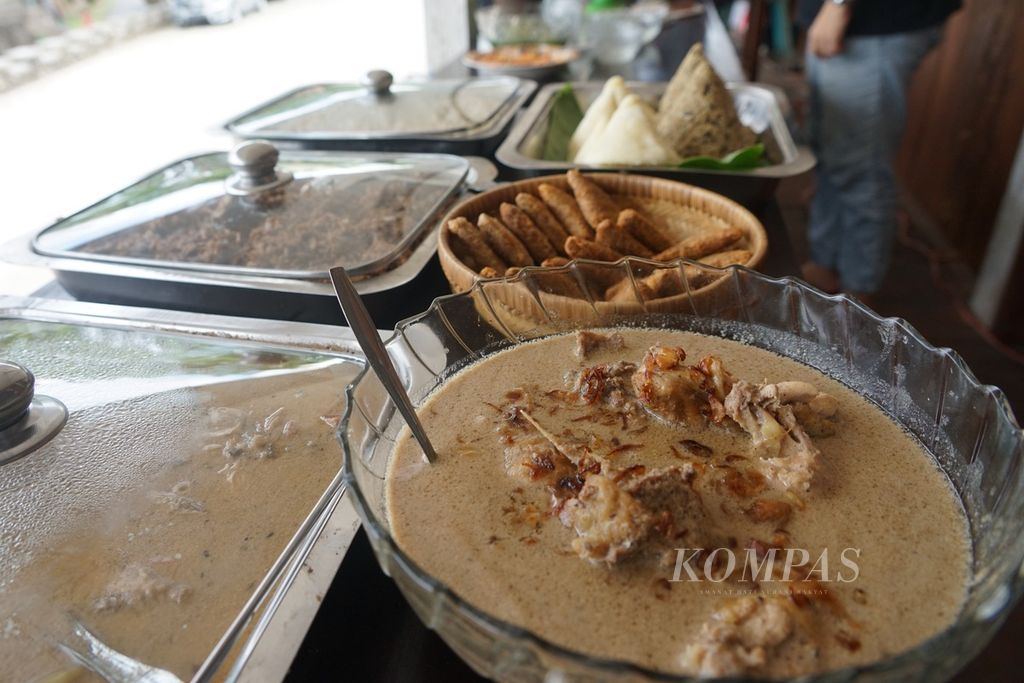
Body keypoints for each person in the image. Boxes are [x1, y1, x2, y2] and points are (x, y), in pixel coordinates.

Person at [797, 0, 960, 302]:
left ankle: (856, 303)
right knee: (832, 155)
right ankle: (825, 266)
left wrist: (837, 6)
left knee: (861, 169)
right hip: (841, 20)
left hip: (869, 22)